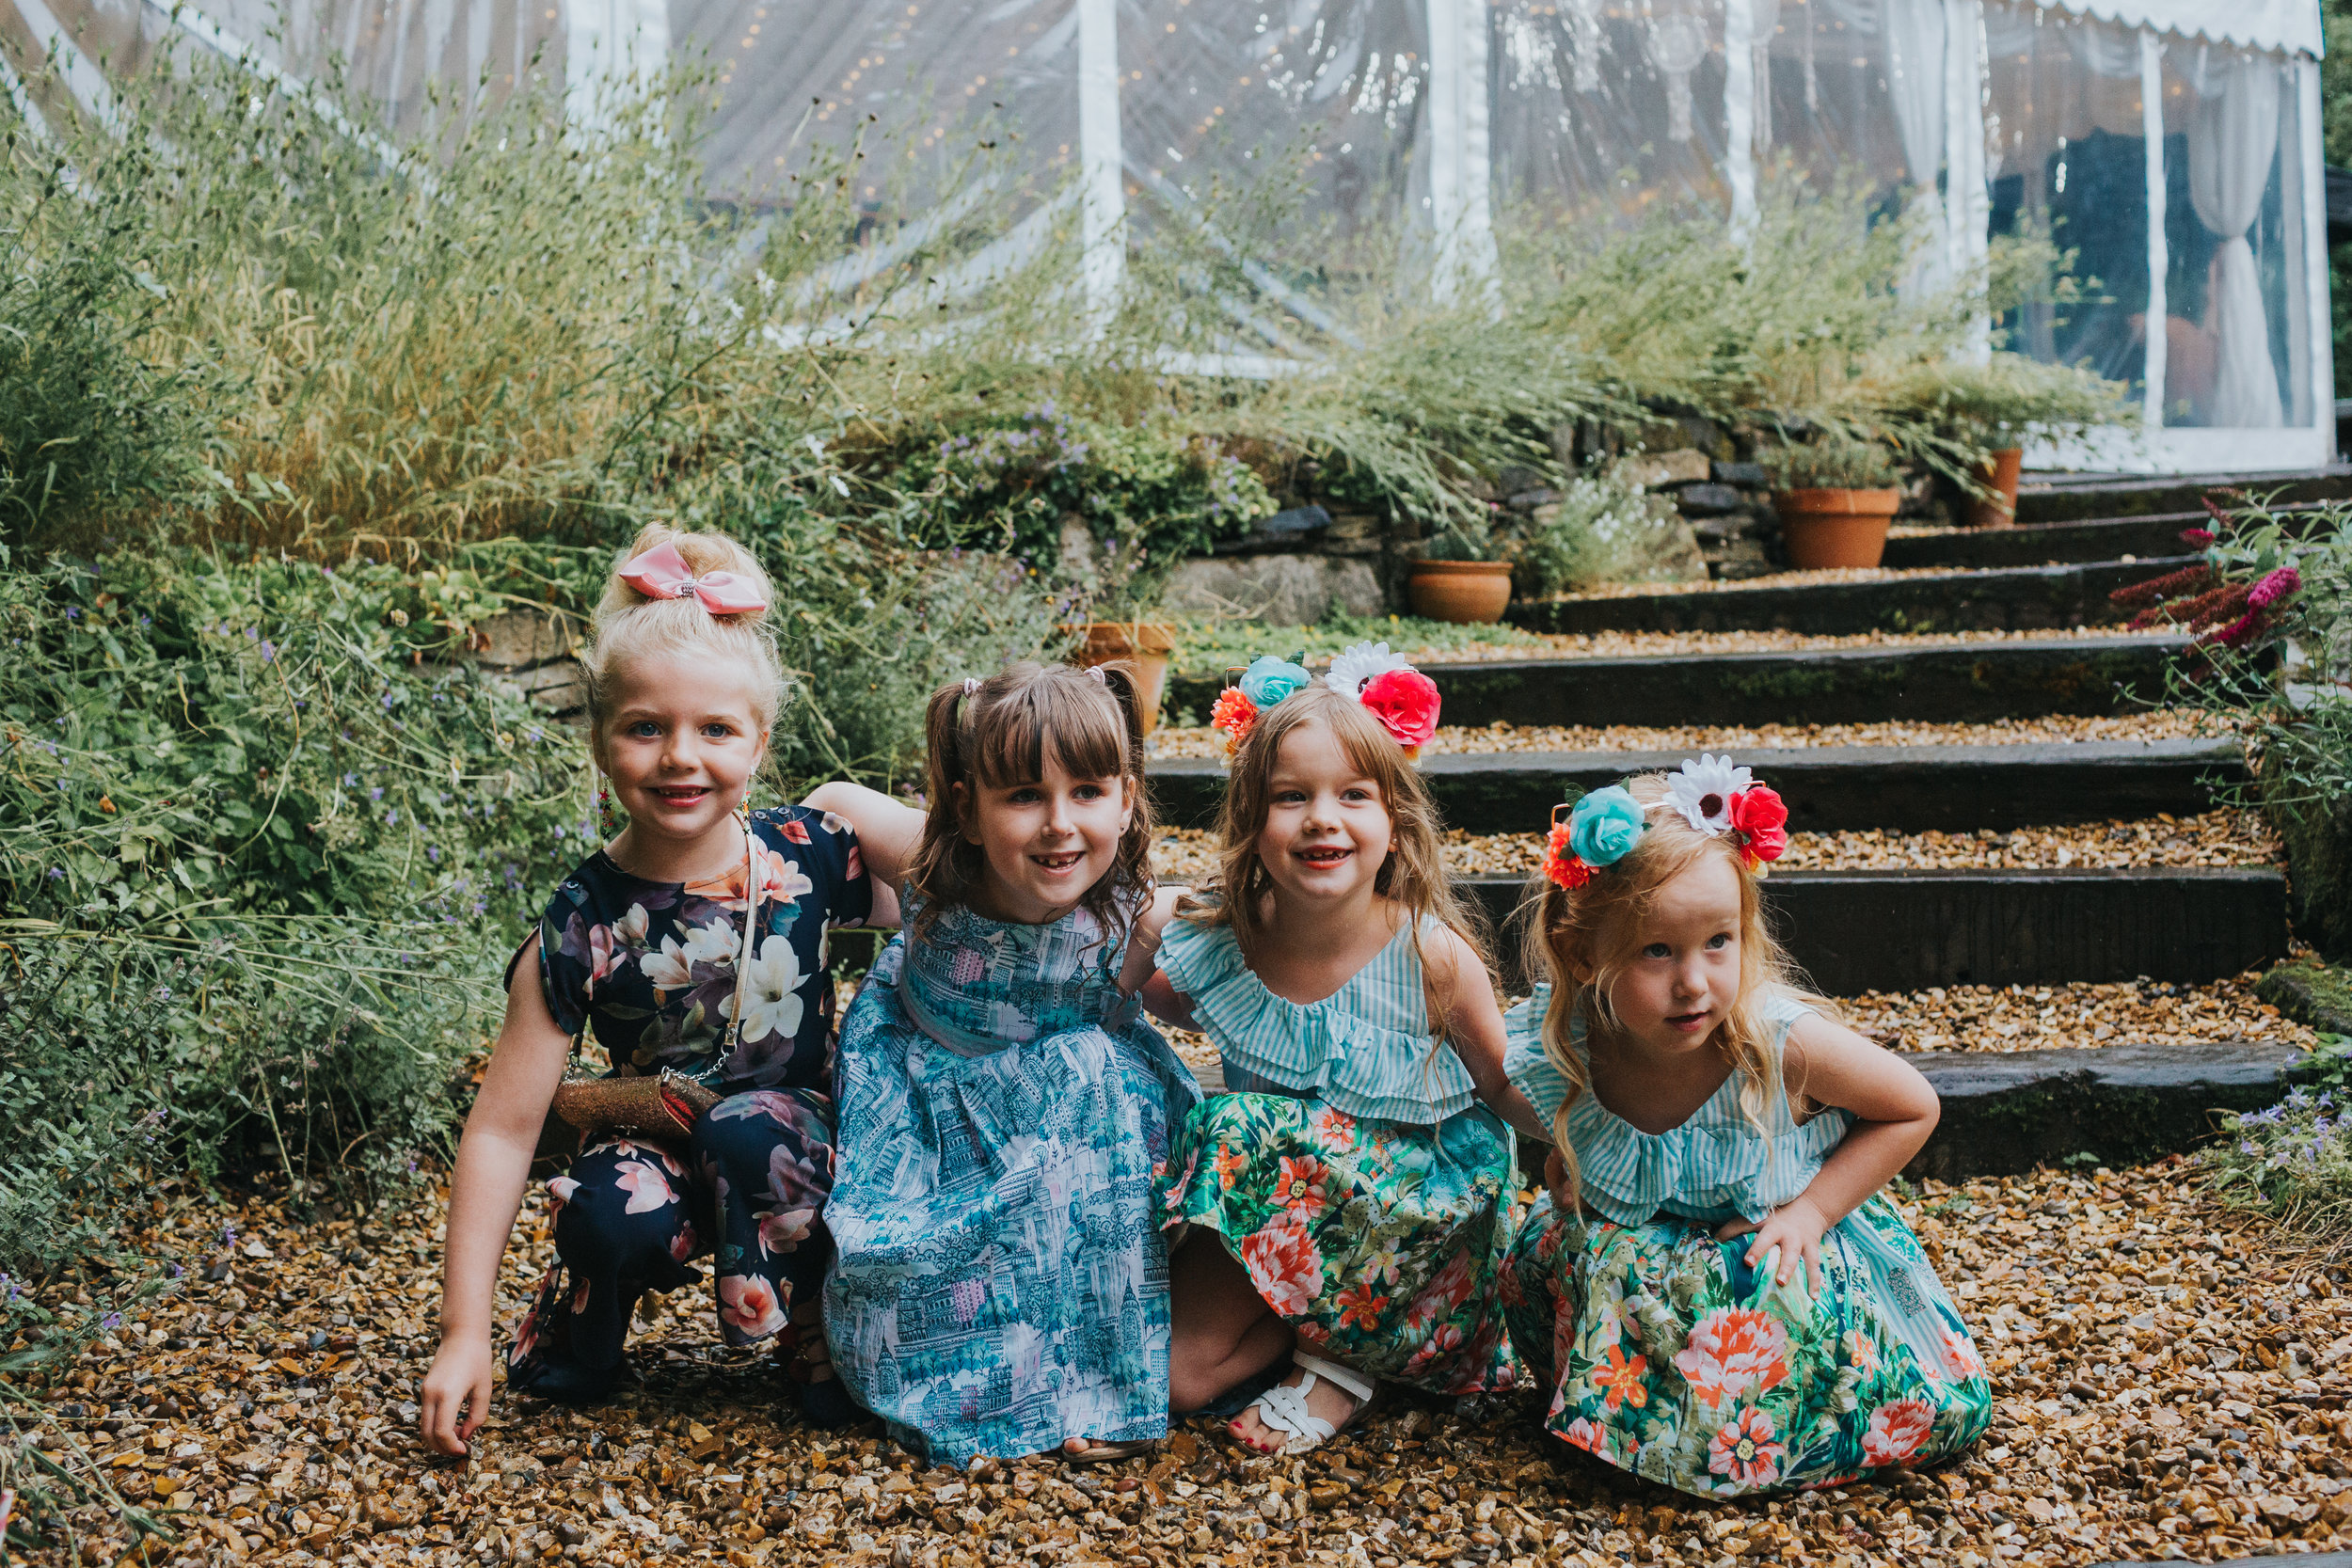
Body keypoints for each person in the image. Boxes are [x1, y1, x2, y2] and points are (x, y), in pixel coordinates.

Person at [419, 526, 871, 1455]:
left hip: (798, 1159)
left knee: (752, 1129)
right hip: (661, 1140)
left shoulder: (812, 851)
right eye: (644, 726)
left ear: (759, 740)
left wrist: (864, 805)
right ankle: (586, 1308)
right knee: (604, 1205)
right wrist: (462, 1330)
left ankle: (811, 1319)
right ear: (599, 739)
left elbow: (967, 886)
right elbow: (503, 1126)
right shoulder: (584, 914)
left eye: (714, 728)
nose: (679, 756)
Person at [1499, 757, 1991, 1497]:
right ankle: (1643, 1422)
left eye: (1718, 942)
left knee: (1765, 1291)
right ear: (1583, 953)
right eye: (1656, 950)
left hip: (1766, 1250)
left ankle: (1731, 1442)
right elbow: (1557, 1117)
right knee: (1559, 1244)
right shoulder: (1573, 1039)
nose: (1693, 980)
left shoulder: (1777, 1042)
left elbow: (1913, 1104)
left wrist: (1812, 1211)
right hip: (1653, 1265)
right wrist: (1580, 1157)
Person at [1148, 648, 1551, 1456]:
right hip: (1283, 1215)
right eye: (1290, 797)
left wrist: (1605, 1133)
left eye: (1353, 796)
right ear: (1251, 823)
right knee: (1179, 1381)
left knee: (1236, 1124)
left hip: (1407, 1225)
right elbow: (1129, 985)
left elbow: (1506, 1088)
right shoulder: (1232, 940)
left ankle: (1346, 1355)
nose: (1322, 818)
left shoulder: (1430, 956)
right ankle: (1329, 1331)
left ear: (1394, 823)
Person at [804, 662, 1201, 1466]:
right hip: (937, 1106)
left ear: (1126, 801)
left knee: (1093, 1069)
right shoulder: (928, 861)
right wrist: (808, 891)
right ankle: (996, 1375)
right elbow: (831, 801)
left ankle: (1097, 1385)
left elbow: (1205, 1009)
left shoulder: (1131, 918)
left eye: (1087, 791)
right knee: (903, 1288)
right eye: (1023, 796)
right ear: (968, 810)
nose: (1059, 823)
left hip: (1073, 1135)